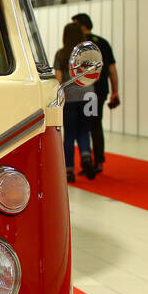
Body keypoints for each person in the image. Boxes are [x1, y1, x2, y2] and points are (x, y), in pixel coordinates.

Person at [70, 12, 118, 174]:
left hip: (85, 93)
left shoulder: (80, 46)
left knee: (84, 125)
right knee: (96, 124)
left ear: (82, 25)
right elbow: (112, 69)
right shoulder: (103, 43)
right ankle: (98, 161)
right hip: (100, 91)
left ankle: (88, 159)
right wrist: (115, 91)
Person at [54, 21, 95, 182]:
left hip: (70, 98)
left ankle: (69, 170)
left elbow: (58, 79)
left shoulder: (61, 54)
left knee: (69, 134)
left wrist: (59, 95)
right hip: (88, 97)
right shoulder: (89, 54)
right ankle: (85, 156)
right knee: (85, 131)